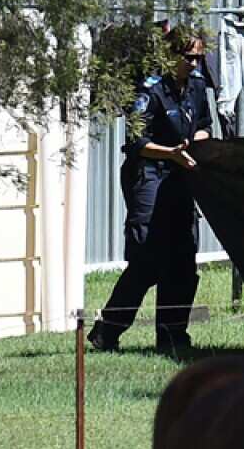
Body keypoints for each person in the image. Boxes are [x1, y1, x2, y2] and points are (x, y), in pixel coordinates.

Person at [88, 30, 212, 356]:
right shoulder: (150, 89)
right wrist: (171, 153)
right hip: (149, 173)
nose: (194, 64)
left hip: (182, 174)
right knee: (148, 258)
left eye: (199, 58)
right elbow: (136, 142)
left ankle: (172, 336)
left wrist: (195, 144)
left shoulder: (197, 85)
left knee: (183, 258)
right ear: (171, 56)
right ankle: (107, 331)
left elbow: (204, 123)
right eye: (188, 57)